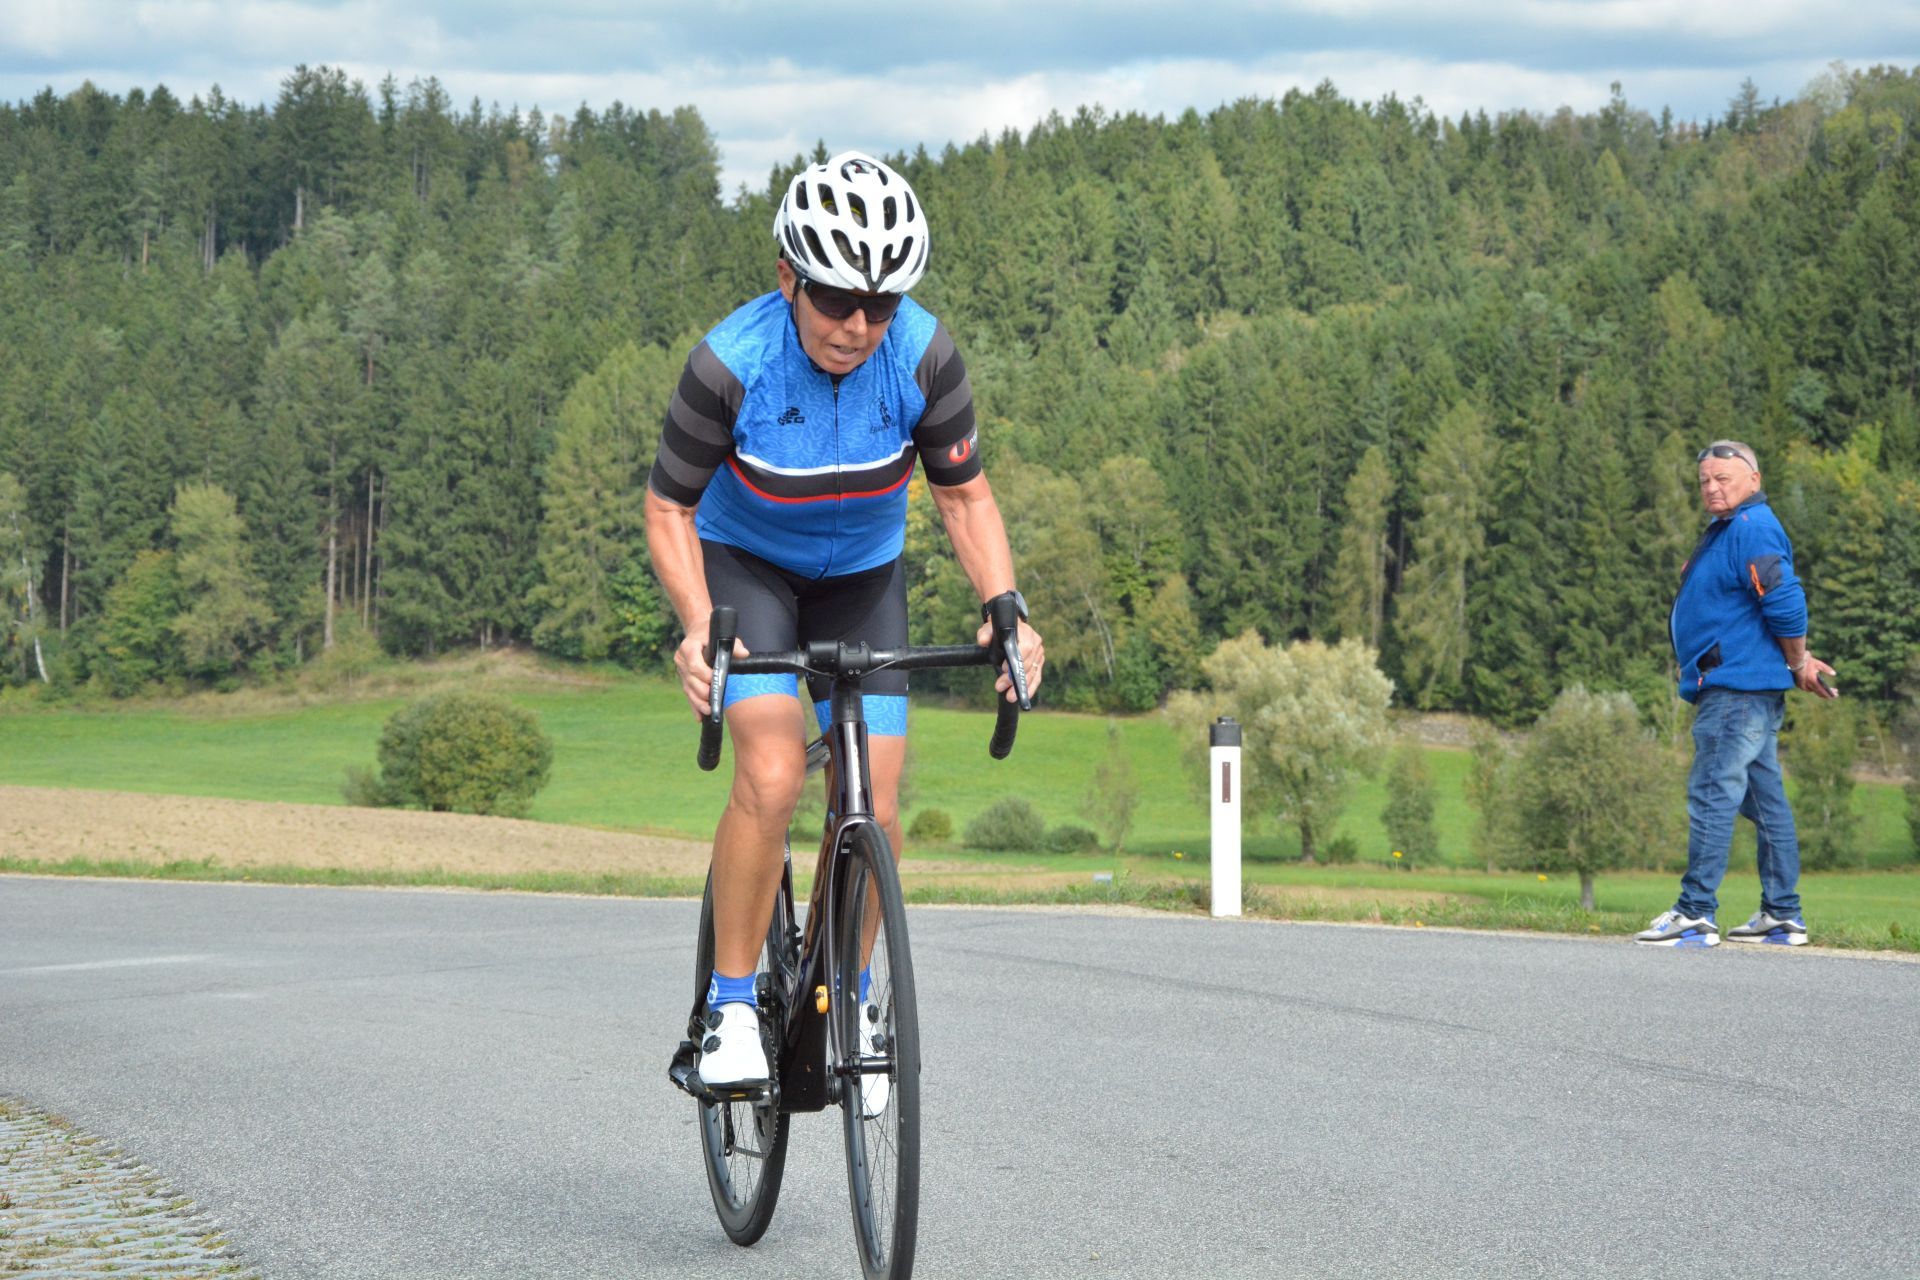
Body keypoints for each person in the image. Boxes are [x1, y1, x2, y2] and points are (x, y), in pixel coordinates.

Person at [644, 151, 1045, 1086]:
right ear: (788, 277)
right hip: (747, 571)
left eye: (880, 305)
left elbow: (964, 497)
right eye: (834, 300)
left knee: (877, 798)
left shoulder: (924, 358)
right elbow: (667, 510)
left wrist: (1006, 608)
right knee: (775, 771)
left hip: (863, 578)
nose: (857, 327)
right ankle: (729, 1007)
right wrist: (700, 623)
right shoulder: (729, 365)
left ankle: (851, 987)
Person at [1636, 440, 1837, 948]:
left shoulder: (1752, 527)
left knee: (1712, 791)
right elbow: (1753, 606)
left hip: (1736, 692)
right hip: (1744, 689)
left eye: (1722, 478)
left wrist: (1798, 661)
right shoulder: (1730, 529)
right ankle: (1782, 915)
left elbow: (1785, 600)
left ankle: (1695, 913)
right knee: (1766, 803)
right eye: (1705, 480)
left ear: (1754, 479)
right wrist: (1799, 659)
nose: (1711, 487)